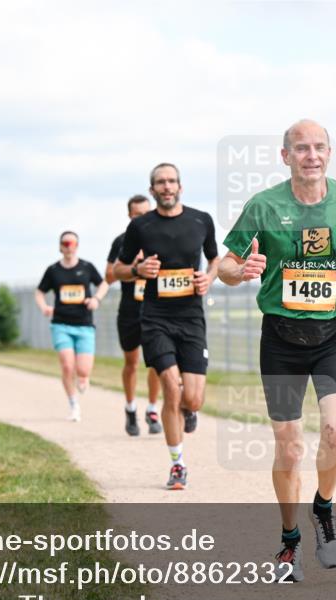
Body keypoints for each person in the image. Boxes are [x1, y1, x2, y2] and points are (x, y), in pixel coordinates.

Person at [218, 120, 336, 581]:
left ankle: (324, 509)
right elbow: (224, 264)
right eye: (300, 148)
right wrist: (241, 269)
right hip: (281, 340)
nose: (311, 155)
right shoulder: (264, 205)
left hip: (334, 334)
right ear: (285, 156)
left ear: (329, 153)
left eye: (319, 147)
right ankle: (289, 543)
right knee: (290, 450)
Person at [113, 163, 220, 490]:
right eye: (160, 182)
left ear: (180, 187)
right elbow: (118, 269)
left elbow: (215, 259)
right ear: (152, 190)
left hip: (191, 318)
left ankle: (188, 409)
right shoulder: (140, 227)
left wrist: (208, 277)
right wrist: (138, 269)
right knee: (171, 390)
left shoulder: (201, 220)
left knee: (194, 398)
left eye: (172, 181)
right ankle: (177, 465)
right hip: (155, 318)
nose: (167, 186)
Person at [35, 231, 109, 422]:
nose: (68, 246)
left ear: (77, 245)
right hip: (61, 324)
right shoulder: (53, 270)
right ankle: (73, 404)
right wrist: (44, 307)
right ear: (60, 246)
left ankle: (83, 377)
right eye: (65, 243)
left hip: (84, 324)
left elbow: (104, 284)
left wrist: (96, 299)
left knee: (83, 371)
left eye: (72, 243)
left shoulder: (86, 267)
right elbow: (39, 292)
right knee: (68, 366)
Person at [106, 195, 163, 437]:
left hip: (155, 310)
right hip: (129, 311)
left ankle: (152, 410)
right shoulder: (122, 242)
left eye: (146, 213)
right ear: (130, 216)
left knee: (158, 362)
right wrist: (135, 268)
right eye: (137, 214)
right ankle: (130, 409)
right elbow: (109, 275)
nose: (143, 218)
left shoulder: (161, 237)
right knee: (132, 363)